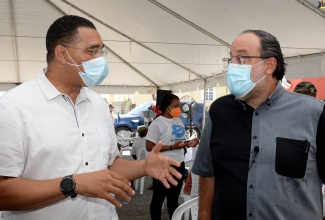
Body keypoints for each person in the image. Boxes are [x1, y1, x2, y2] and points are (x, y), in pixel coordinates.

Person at [0, 15, 182, 220]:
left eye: (101, 51)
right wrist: (72, 184)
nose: (100, 59)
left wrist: (143, 166)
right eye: (92, 51)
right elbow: (3, 190)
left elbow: (110, 165)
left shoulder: (98, 105)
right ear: (62, 54)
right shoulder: (13, 107)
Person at [191, 30, 325, 220]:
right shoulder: (219, 111)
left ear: (269, 65)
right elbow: (208, 173)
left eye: (242, 58)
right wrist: (203, 216)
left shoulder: (314, 113)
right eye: (231, 59)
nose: (233, 67)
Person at [146, 93, 199, 220]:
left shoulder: (178, 120)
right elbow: (149, 146)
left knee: (173, 199)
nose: (178, 109)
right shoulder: (157, 123)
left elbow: (178, 141)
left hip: (178, 164)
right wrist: (170, 147)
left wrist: (188, 143)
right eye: (175, 106)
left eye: (179, 106)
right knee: (158, 198)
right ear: (167, 106)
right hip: (162, 165)